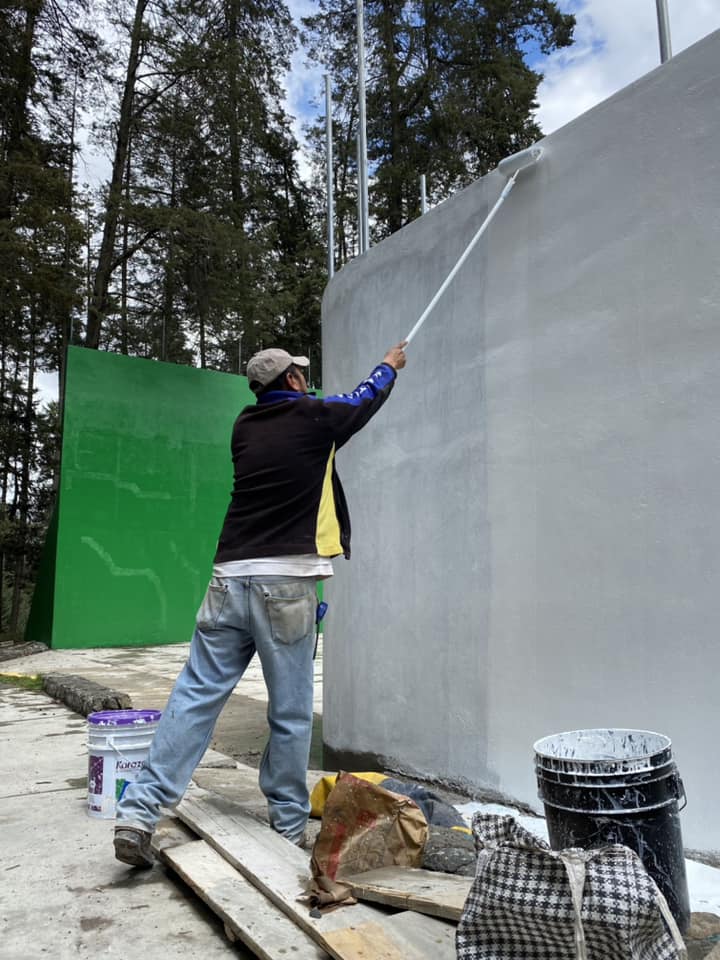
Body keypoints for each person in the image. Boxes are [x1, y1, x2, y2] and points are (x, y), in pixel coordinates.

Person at [113, 341, 408, 867]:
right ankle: (290, 826)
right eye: (302, 374)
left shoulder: (243, 426)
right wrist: (389, 366)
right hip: (287, 582)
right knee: (290, 713)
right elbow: (363, 400)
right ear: (294, 381)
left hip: (228, 578)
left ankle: (138, 812)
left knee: (194, 698)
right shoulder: (315, 416)